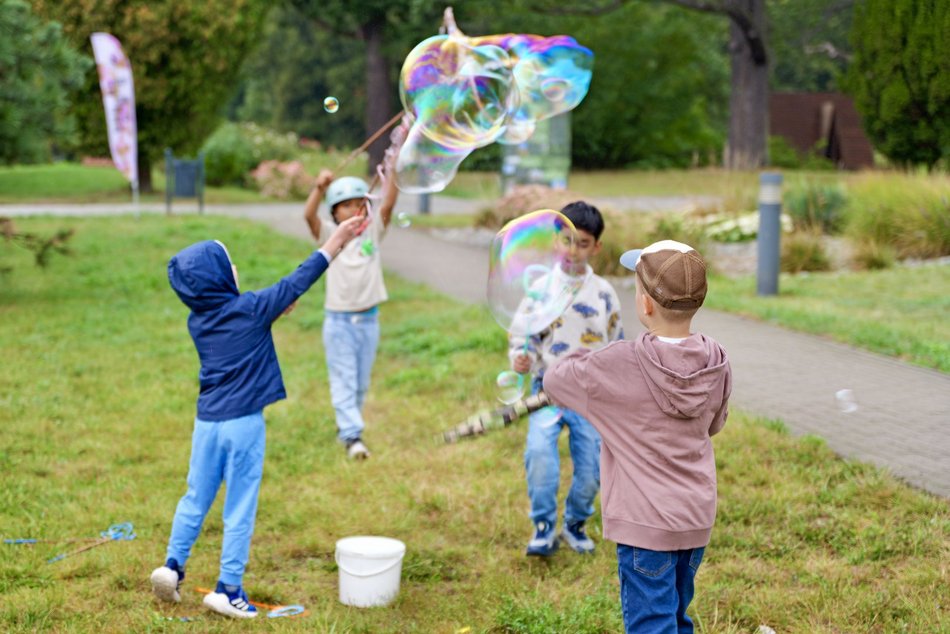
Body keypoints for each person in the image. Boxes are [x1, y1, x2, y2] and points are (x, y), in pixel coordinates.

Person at [150, 216, 364, 619]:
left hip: (207, 423)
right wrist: (337, 238)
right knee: (240, 506)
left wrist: (272, 308)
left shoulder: (199, 319)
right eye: (227, 263)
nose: (234, 268)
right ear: (219, 278)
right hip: (243, 424)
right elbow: (299, 278)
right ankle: (228, 589)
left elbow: (252, 313)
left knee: (195, 495)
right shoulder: (250, 307)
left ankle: (172, 566)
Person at [542, 240, 732, 633]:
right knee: (676, 616)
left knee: (651, 624)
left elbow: (556, 380)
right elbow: (714, 424)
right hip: (694, 517)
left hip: (645, 523)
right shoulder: (717, 358)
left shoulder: (618, 361)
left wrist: (590, 354)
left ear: (645, 305)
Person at [509, 201, 624, 557]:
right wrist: (520, 357)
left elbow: (616, 343)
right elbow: (522, 333)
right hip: (547, 389)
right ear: (555, 240)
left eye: (583, 243)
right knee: (539, 455)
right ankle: (543, 527)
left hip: (590, 396)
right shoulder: (541, 288)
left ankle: (575, 523)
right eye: (566, 240)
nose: (573, 250)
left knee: (591, 467)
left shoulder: (603, 293)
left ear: (597, 247)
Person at [303, 158, 399, 460]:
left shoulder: (373, 234)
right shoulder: (331, 237)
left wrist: (393, 171)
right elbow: (309, 216)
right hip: (339, 322)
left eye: (360, 204)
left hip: (369, 321)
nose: (355, 210)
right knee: (344, 377)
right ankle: (352, 436)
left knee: (360, 382)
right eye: (346, 205)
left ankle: (348, 428)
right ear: (334, 211)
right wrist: (319, 188)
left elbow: (388, 205)